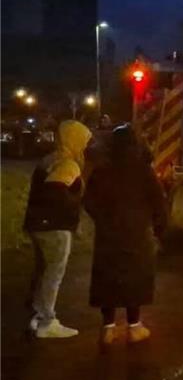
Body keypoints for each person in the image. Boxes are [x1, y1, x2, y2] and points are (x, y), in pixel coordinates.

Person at [84, 125, 167, 345]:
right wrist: (159, 227)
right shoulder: (143, 170)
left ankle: (108, 328)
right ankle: (134, 326)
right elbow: (158, 201)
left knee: (107, 278)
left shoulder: (102, 169)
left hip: (108, 234)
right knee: (135, 278)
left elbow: (89, 200)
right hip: (137, 233)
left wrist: (102, 220)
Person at [23, 120, 93, 338]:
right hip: (55, 226)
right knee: (54, 273)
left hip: (37, 224)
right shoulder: (68, 164)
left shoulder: (49, 159)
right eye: (84, 140)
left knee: (44, 270)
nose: (86, 145)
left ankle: (37, 314)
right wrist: (74, 206)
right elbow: (55, 190)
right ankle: (48, 322)